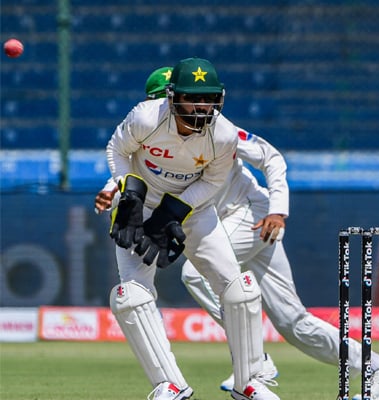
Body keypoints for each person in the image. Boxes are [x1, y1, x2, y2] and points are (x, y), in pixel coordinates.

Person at [98, 66, 379, 400]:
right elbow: (136, 168)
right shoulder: (150, 128)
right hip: (226, 218)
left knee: (196, 274)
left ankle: (255, 362)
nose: (193, 110)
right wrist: (114, 190)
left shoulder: (221, 132)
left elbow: (272, 158)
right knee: (295, 323)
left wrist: (278, 208)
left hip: (248, 214)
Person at [104, 57, 279, 400]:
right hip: (139, 206)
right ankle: (169, 384)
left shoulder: (224, 134)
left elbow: (213, 181)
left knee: (239, 288)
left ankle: (249, 382)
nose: (202, 106)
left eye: (209, 98)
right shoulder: (145, 117)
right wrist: (129, 192)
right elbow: (117, 149)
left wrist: (173, 212)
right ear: (172, 97)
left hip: (194, 209)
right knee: (131, 297)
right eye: (192, 98)